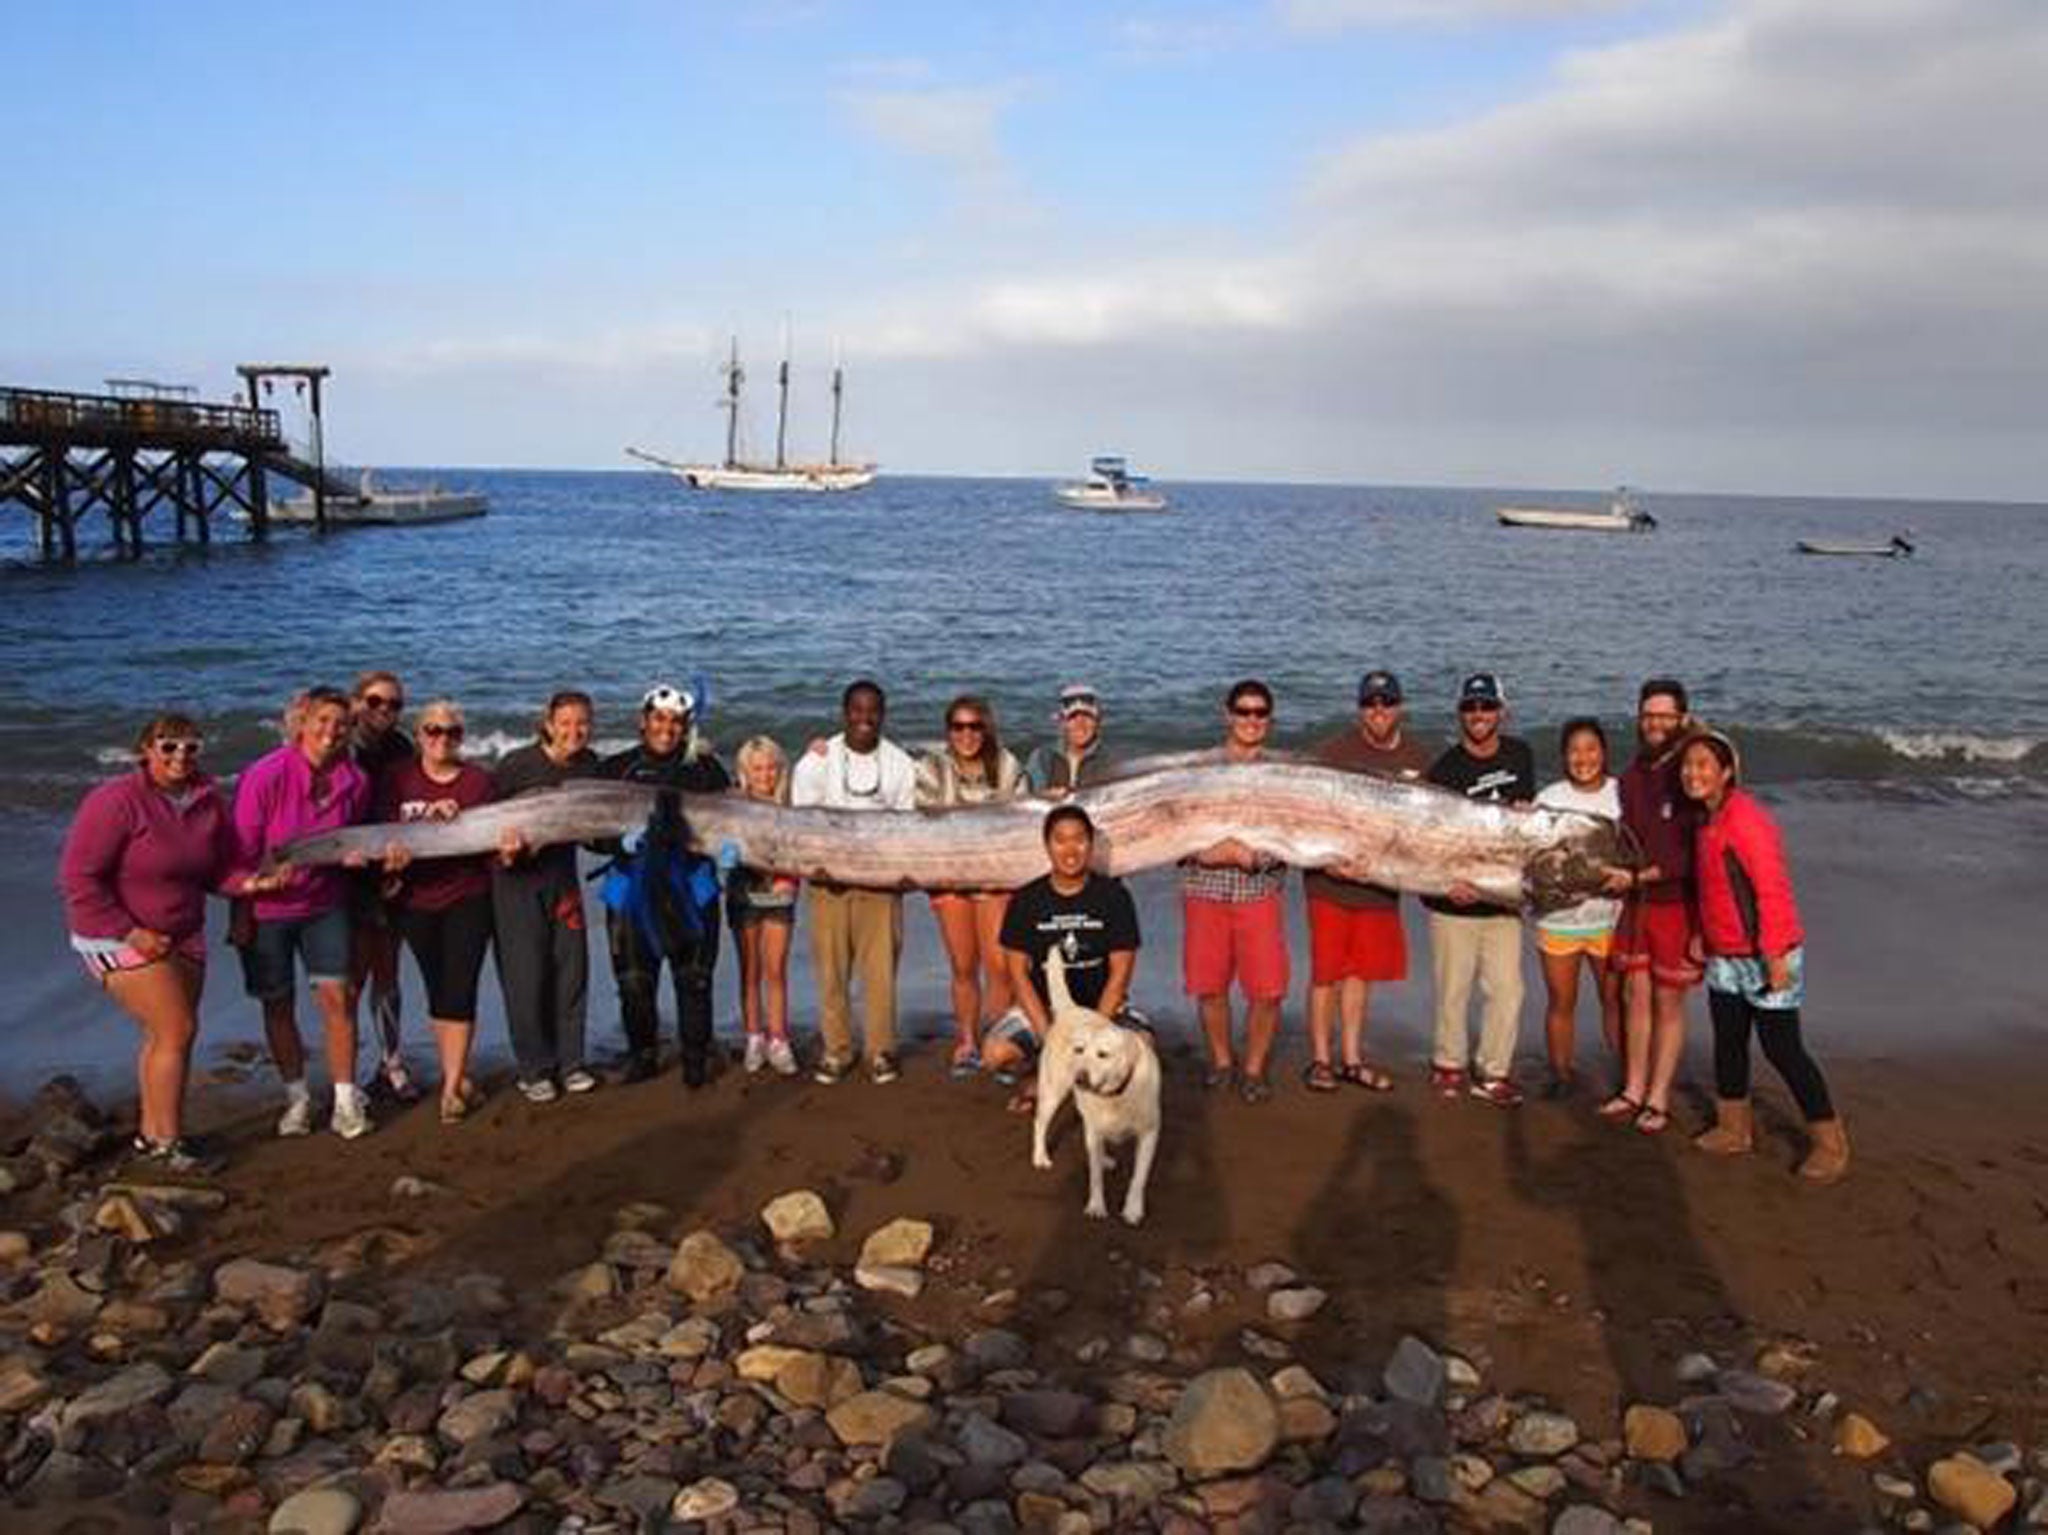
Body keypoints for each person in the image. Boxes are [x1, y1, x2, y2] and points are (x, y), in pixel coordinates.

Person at [59, 714, 275, 1170]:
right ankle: (168, 1145)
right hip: (114, 935)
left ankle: (153, 1136)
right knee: (177, 1029)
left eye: (190, 747)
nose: (180, 756)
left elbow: (217, 872)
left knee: (164, 1035)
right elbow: (80, 879)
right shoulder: (116, 800)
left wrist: (252, 884)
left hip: (183, 934)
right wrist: (131, 933)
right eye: (168, 746)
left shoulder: (208, 801)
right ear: (146, 750)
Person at [1679, 730, 1848, 1182]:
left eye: (1703, 765)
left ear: (1726, 772)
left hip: (1768, 952)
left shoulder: (1746, 820)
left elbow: (1772, 891)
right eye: (1688, 765)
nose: (1692, 773)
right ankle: (1733, 1129)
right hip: (1725, 955)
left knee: (1782, 1048)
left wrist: (1774, 956)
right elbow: (1711, 890)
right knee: (1728, 1042)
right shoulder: (1705, 820)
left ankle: (1830, 1143)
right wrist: (1700, 934)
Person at [228, 686, 376, 1139]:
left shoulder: (356, 780)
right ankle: (298, 1099)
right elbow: (241, 852)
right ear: (302, 723)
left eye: (341, 724)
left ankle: (346, 1102)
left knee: (338, 999)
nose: (332, 731)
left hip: (325, 904)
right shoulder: (265, 774)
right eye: (322, 721)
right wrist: (242, 911)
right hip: (267, 908)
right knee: (278, 1003)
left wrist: (355, 858)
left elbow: (351, 839)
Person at [1301, 669, 1431, 1092]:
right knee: (1326, 974)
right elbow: (1306, 812)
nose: (1379, 710)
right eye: (1370, 703)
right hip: (1329, 883)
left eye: (1386, 702)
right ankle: (1321, 1060)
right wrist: (1328, 862)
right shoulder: (1332, 751)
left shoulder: (1419, 757)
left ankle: (1352, 1060)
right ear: (1360, 709)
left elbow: (1427, 828)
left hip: (1379, 886)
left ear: (1400, 707)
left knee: (1360, 975)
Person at [597, 684, 731, 1087]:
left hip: (692, 887)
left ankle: (695, 1058)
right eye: (658, 719)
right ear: (643, 721)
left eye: (675, 722)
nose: (666, 728)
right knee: (634, 982)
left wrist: (730, 852)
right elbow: (586, 830)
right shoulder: (616, 768)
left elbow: (731, 823)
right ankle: (643, 1056)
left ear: (686, 727)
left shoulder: (706, 769)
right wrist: (616, 843)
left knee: (695, 978)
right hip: (630, 890)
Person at [378, 700, 501, 1125]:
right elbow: (382, 832)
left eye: (451, 732)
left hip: (468, 896)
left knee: (460, 987)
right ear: (419, 735)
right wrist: (390, 862)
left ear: (461, 738)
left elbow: (490, 841)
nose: (442, 738)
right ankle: (459, 1074)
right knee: (438, 989)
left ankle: (449, 1090)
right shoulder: (398, 778)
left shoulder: (478, 782)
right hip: (415, 900)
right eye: (433, 730)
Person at [789, 679, 917, 1084]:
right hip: (827, 883)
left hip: (881, 885)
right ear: (845, 713)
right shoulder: (816, 760)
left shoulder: (900, 763)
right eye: (858, 710)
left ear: (883, 715)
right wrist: (815, 866)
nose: (865, 717)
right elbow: (803, 820)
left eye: (873, 710)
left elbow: (906, 827)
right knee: (831, 973)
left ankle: (881, 1051)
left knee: (880, 974)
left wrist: (901, 875)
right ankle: (837, 1050)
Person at [1423, 673, 1537, 1107]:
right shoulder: (1444, 768)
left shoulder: (1520, 754)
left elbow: (1519, 831)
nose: (1478, 714)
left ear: (1502, 712)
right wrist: (1447, 886)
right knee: (1453, 989)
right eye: (1470, 707)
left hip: (1501, 900)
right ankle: (1448, 1063)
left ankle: (1493, 1071)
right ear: (1460, 714)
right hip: (1453, 899)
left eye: (1487, 706)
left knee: (1508, 990)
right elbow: (1430, 839)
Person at [1598, 679, 1702, 1134]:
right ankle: (1633, 1088)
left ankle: (1658, 1097)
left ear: (1682, 717)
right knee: (1633, 996)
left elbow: (1692, 853)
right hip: (1637, 902)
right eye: (1648, 715)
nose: (1655, 723)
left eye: (1664, 715)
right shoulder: (1633, 774)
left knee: (1667, 1002)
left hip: (1676, 904)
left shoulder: (1691, 770)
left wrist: (1640, 877)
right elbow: (1629, 841)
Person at [990, 804, 1142, 1108]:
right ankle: (1042, 1075)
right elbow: (1018, 974)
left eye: (1079, 839)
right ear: (1047, 845)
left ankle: (1080, 1078)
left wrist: (1094, 1037)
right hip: (1046, 1010)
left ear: (1091, 844)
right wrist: (1050, 1039)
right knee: (996, 1053)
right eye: (1060, 840)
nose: (1070, 850)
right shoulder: (1026, 899)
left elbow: (1121, 974)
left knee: (1142, 1052)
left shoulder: (1115, 897)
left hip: (1102, 1008)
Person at [1183, 679, 1289, 1104]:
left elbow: (1294, 827)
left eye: (1260, 713)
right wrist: (1205, 853)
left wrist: (1255, 858)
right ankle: (1223, 1062)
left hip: (1258, 890)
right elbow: (1171, 823)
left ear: (1270, 720)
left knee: (1268, 990)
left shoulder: (1283, 774)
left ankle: (1254, 1070)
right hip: (1203, 888)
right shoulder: (1198, 767)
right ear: (1228, 715)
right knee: (1209, 987)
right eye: (1243, 711)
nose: (1251, 719)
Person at [492, 691, 601, 1102]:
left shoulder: (589, 766)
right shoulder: (516, 765)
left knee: (572, 971)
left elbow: (597, 827)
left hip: (562, 879)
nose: (575, 730)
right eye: (566, 722)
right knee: (526, 978)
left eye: (583, 722)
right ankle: (534, 1069)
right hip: (515, 882)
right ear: (549, 724)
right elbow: (480, 822)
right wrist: (504, 853)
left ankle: (571, 1063)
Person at [916, 694, 1025, 1077]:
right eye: (958, 726)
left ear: (986, 728)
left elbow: (1023, 821)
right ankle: (966, 1042)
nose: (967, 734)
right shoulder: (931, 766)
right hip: (950, 878)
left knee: (1000, 967)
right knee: (963, 966)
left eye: (975, 726)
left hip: (995, 878)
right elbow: (922, 822)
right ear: (949, 731)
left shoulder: (1007, 765)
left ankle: (999, 1042)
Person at [1532, 717, 1624, 1099]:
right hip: (1559, 920)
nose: (1582, 758)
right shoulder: (1548, 798)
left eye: (1590, 749)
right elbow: (1531, 858)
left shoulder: (1622, 794)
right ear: (1563, 756)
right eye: (1574, 750)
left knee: (1614, 1000)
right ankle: (1561, 1074)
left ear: (1604, 752)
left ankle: (1628, 1076)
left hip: (1610, 920)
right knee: (1561, 1002)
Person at [347, 670, 419, 1103]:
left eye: (394, 704)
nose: (384, 710)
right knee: (351, 975)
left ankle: (390, 1061)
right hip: (344, 872)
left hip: (389, 866)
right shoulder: (340, 744)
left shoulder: (402, 748)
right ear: (357, 702)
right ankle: (347, 1072)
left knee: (387, 970)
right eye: (375, 701)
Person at [728, 735, 800, 1078]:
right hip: (742, 891)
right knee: (750, 970)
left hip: (778, 891)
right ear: (745, 771)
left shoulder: (789, 807)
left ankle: (779, 1039)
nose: (765, 775)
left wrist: (790, 881)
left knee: (776, 970)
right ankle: (754, 1037)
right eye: (757, 768)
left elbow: (799, 850)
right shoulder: (732, 803)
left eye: (771, 767)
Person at [1023, 684, 1117, 794]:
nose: (1080, 724)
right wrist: (1044, 795)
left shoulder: (1112, 762)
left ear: (1098, 722)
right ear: (1062, 723)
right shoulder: (1042, 757)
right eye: (1072, 717)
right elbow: (1026, 796)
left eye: (1087, 717)